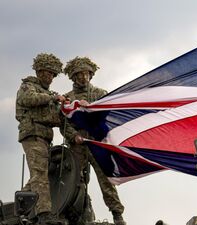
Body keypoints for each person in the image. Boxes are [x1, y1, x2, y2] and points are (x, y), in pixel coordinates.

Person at [62, 56, 126, 225]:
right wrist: (73, 136)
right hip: (78, 144)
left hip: (97, 143)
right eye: (79, 74)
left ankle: (117, 214)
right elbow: (63, 123)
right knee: (74, 181)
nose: (83, 77)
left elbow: (109, 116)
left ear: (91, 75)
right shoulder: (68, 99)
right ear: (73, 77)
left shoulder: (100, 94)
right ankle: (77, 213)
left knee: (106, 178)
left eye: (86, 74)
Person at [15, 53, 66, 224]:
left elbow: (56, 118)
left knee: (37, 176)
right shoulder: (27, 87)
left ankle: (19, 210)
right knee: (40, 175)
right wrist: (52, 98)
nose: (50, 77)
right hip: (33, 135)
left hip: (44, 138)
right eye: (47, 72)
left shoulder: (49, 94)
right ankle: (44, 215)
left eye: (53, 74)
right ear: (38, 71)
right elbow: (28, 99)